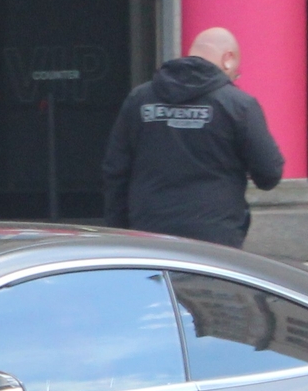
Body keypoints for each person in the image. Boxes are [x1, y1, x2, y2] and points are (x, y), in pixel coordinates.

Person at [102, 26, 286, 248]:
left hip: (148, 231)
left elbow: (115, 170)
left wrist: (119, 228)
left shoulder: (139, 99)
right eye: (236, 73)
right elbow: (269, 173)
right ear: (228, 59)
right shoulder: (239, 105)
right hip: (215, 235)